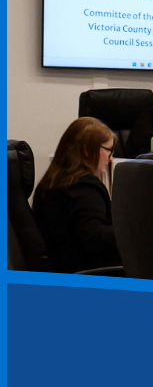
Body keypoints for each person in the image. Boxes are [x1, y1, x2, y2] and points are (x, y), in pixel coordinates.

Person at [32, 117, 122, 273]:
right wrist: (134, 228)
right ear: (88, 149)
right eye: (108, 150)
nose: (110, 158)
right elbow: (95, 239)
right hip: (87, 271)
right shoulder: (83, 187)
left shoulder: (54, 181)